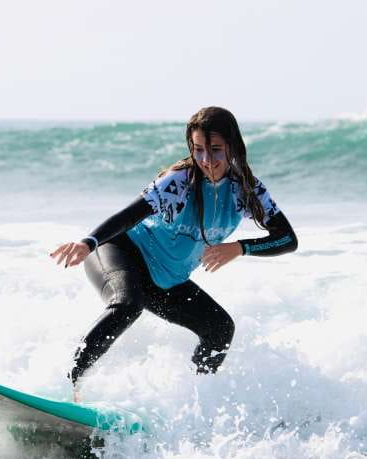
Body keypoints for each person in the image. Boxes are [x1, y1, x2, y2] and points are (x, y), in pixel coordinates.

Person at [50, 106, 298, 400]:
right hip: (120, 250)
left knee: (219, 329)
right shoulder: (179, 181)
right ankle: (69, 388)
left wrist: (241, 247)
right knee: (128, 304)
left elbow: (287, 239)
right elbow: (129, 216)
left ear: (232, 146)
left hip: (165, 279)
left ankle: (197, 400)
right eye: (199, 150)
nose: (207, 160)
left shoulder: (246, 190)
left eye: (216, 150)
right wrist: (88, 242)